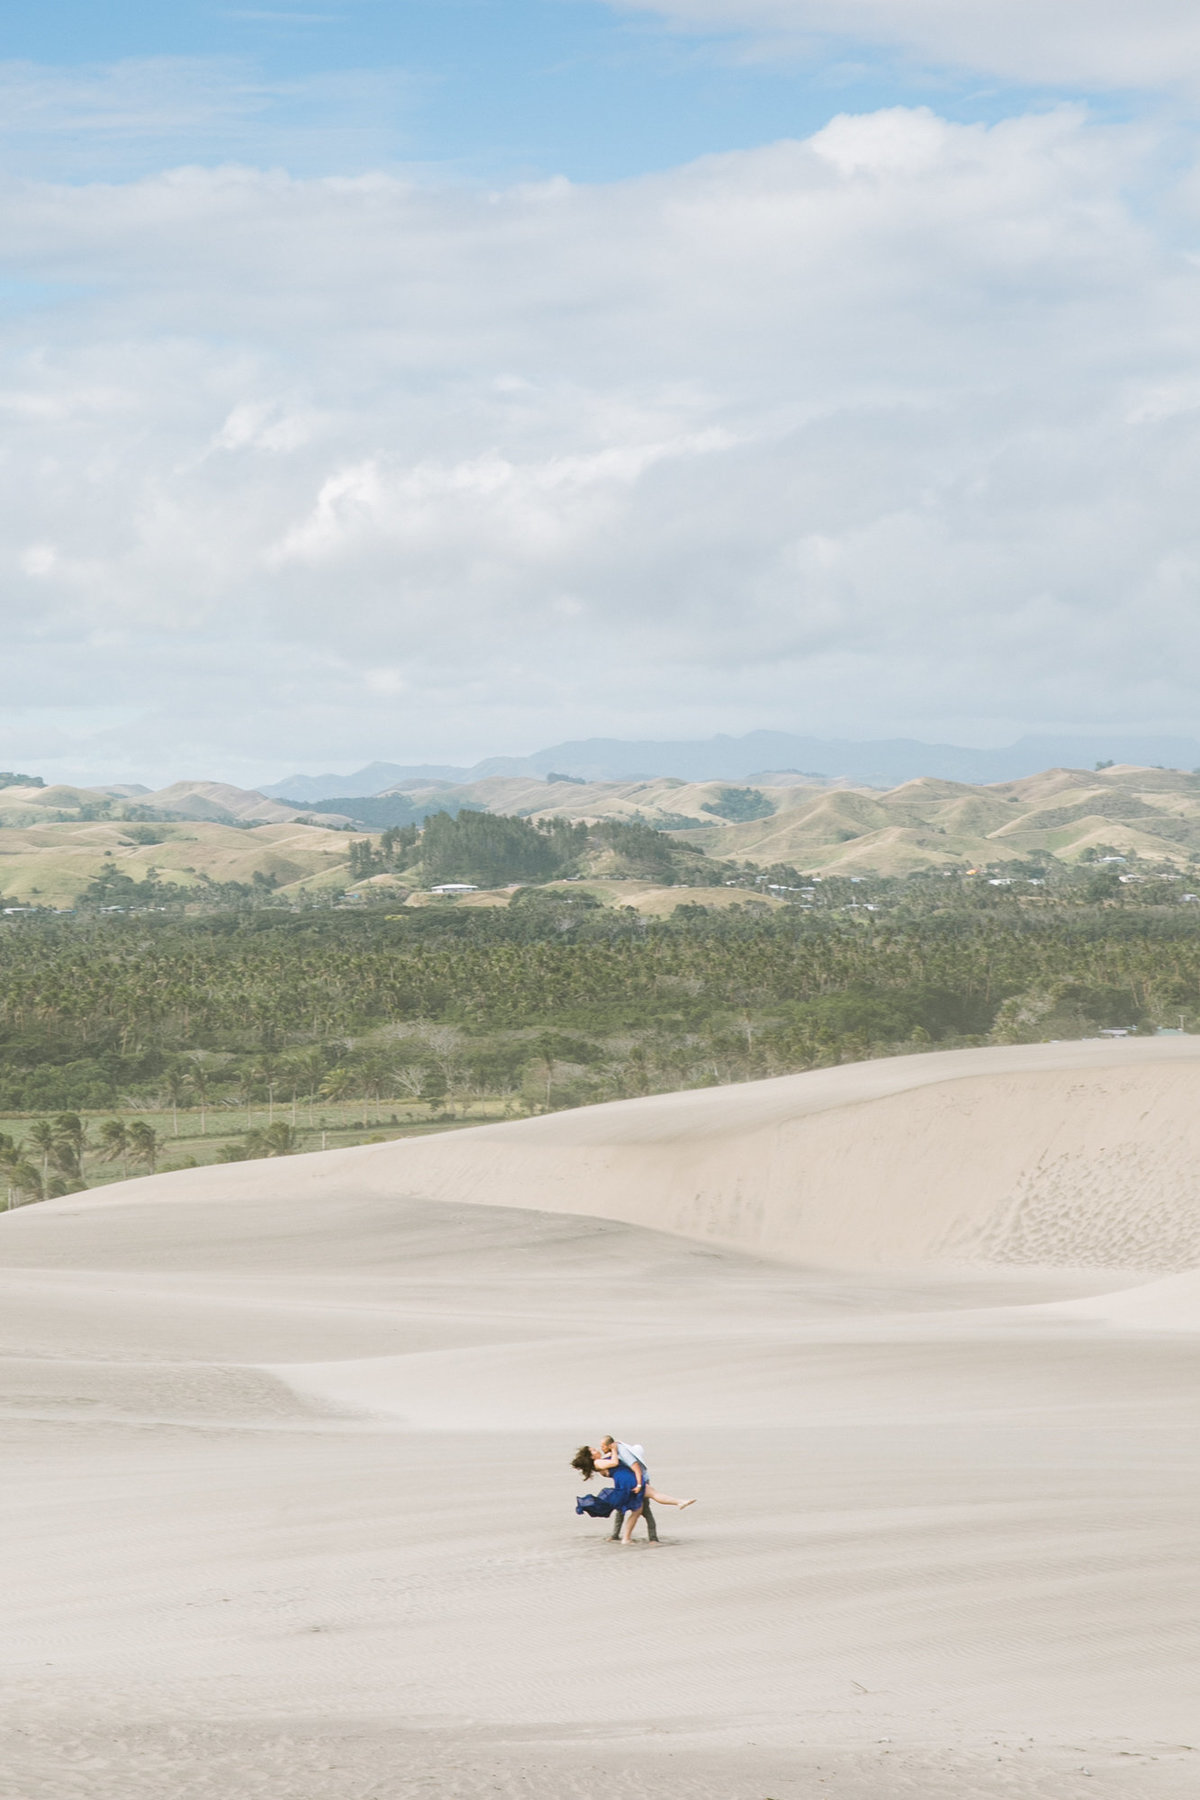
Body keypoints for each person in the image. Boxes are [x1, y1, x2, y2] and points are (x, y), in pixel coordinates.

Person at [571, 1439, 696, 1544]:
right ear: (591, 1456)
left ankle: (626, 1538)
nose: (597, 1450)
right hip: (628, 1481)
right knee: (653, 1493)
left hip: (624, 1480)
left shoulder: (600, 1461)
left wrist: (616, 1447)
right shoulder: (597, 1462)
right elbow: (614, 1462)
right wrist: (614, 1449)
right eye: (593, 1450)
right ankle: (679, 1502)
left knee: (637, 1511)